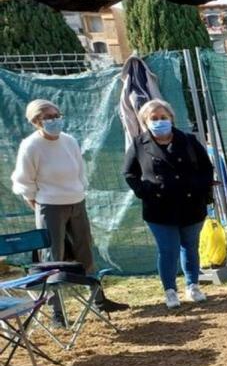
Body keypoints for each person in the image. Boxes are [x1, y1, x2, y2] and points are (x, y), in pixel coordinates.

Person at [10, 99, 129, 323]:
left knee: (85, 251)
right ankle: (57, 312)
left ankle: (99, 299)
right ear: (36, 121)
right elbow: (24, 180)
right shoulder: (31, 145)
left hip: (76, 201)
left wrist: (79, 192)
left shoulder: (69, 141)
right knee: (53, 257)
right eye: (48, 117)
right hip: (49, 205)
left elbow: (79, 171)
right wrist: (37, 203)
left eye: (57, 115)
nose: (54, 120)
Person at [122, 99, 213, 309]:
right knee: (168, 249)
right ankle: (170, 290)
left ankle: (193, 285)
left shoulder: (189, 141)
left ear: (171, 118)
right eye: (154, 119)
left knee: (190, 246)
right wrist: (143, 190)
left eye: (164, 117)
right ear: (145, 121)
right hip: (159, 208)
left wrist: (197, 187)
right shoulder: (138, 144)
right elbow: (129, 172)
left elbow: (206, 169)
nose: (160, 121)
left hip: (191, 205)